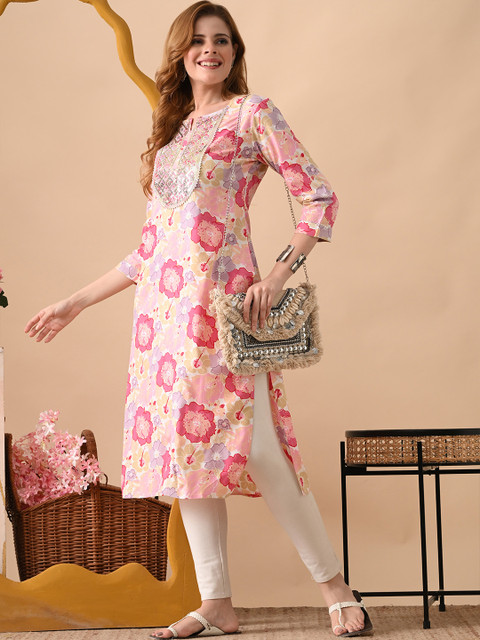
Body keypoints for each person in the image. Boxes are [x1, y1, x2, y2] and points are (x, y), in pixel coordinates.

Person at [25, 2, 373, 637]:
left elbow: (318, 197)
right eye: (198, 40)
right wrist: (76, 302)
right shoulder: (174, 131)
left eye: (222, 40)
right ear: (181, 52)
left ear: (234, 53)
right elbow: (152, 249)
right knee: (186, 457)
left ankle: (335, 587)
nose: (210, 49)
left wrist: (277, 274)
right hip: (162, 324)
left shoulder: (253, 114)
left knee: (260, 449)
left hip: (226, 308)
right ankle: (217, 603)